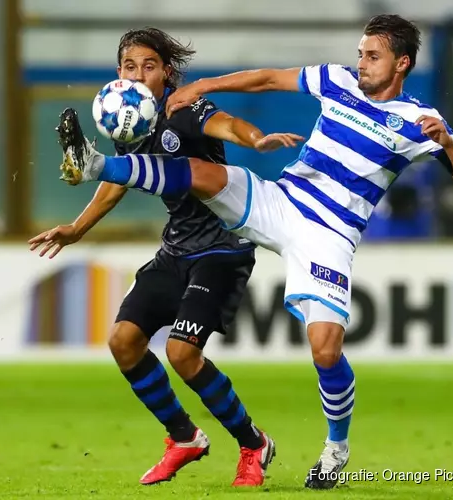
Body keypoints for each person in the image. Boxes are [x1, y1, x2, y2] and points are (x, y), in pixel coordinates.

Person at [56, 15, 453, 489]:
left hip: (329, 235)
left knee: (325, 350)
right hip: (282, 202)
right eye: (361, 53)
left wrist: (447, 144)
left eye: (372, 56)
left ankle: (335, 448)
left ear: (401, 63)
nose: (360, 63)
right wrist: (202, 86)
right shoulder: (336, 80)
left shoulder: (419, 122)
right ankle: (95, 163)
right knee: (201, 172)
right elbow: (265, 79)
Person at [30, 27, 303, 487]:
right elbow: (120, 179)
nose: (138, 75)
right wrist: (77, 228)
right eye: (129, 66)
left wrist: (257, 140)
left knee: (181, 353)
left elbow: (228, 125)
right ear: (119, 72)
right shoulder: (127, 119)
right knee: (123, 341)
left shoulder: (184, 108)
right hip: (176, 248)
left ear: (167, 72)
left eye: (149, 66)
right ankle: (184, 437)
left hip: (221, 249)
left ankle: (253, 443)